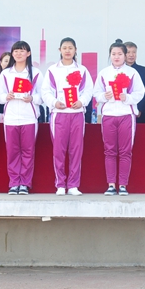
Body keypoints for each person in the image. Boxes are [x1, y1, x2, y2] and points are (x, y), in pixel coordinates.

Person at [41, 37, 94, 196]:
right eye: (64, 48)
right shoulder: (52, 70)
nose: (67, 51)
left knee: (76, 150)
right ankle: (60, 184)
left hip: (77, 115)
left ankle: (73, 185)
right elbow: (45, 91)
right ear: (60, 50)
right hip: (59, 115)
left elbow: (88, 91)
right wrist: (54, 102)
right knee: (59, 151)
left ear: (75, 50)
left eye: (70, 48)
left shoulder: (82, 70)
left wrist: (81, 102)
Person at [94, 39, 145, 196]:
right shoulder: (104, 73)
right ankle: (111, 185)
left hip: (126, 115)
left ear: (125, 55)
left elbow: (140, 92)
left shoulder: (132, 73)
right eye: (113, 54)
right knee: (109, 151)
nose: (116, 57)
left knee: (125, 151)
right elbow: (96, 93)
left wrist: (127, 98)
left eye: (120, 54)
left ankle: (123, 185)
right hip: (109, 115)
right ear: (110, 55)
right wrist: (104, 96)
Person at [0, 41, 43, 195]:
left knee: (28, 152)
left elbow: (42, 96)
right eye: (15, 51)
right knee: (12, 152)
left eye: (22, 51)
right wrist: (7, 96)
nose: (18, 54)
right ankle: (14, 183)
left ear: (28, 53)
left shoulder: (35, 73)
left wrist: (32, 98)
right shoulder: (6, 74)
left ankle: (24, 183)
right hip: (10, 118)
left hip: (29, 118)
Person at [124, 41, 145, 123]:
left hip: (139, 114)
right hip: (122, 111)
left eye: (134, 52)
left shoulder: (144, 71)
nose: (131, 55)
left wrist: (140, 109)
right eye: (128, 52)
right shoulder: (118, 71)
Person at [0, 52, 12, 121]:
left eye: (10, 61)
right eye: (6, 61)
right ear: (1, 63)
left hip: (11, 109)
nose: (8, 64)